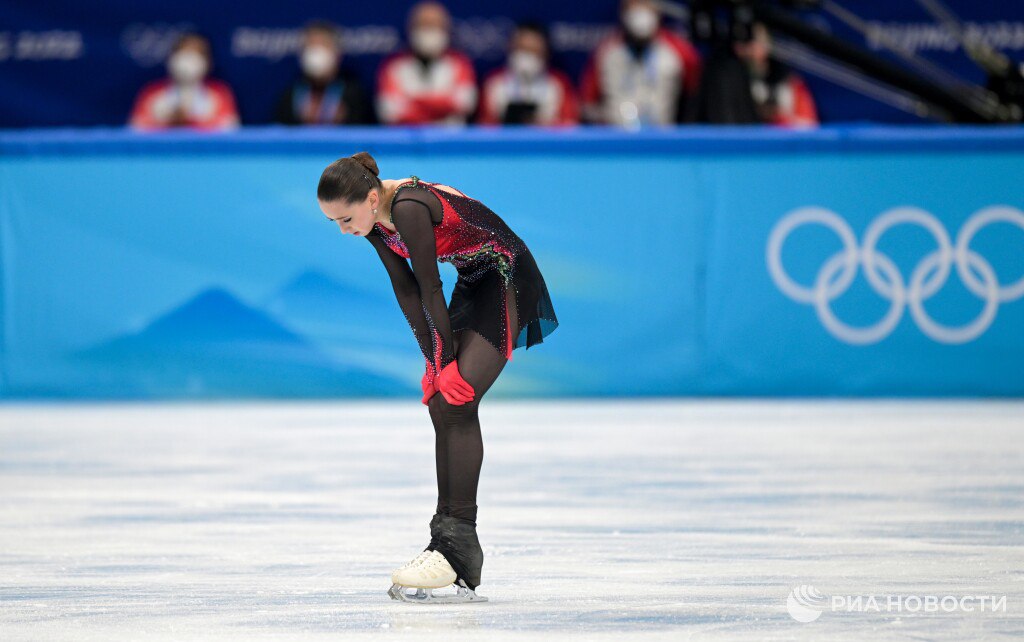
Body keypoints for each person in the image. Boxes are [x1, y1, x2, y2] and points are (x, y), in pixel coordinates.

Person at [317, 152, 558, 603]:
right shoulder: (374, 221)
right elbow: (405, 289)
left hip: (508, 276)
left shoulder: (407, 207)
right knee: (441, 402)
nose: (344, 230)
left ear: (371, 198)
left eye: (345, 218)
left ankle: (456, 546)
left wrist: (445, 362)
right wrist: (434, 362)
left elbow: (429, 286)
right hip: (476, 278)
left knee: (458, 400)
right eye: (335, 222)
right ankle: (450, 547)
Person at [580, 0, 702, 127]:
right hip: (616, 138)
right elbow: (588, 104)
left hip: (664, 138)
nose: (640, 8)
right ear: (623, 10)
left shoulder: (681, 52)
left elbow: (694, 100)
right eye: (634, 4)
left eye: (646, 3)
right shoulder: (606, 53)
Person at [375, 1, 477, 125]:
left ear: (446, 29)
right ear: (411, 28)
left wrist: (413, 102)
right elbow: (389, 110)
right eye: (424, 25)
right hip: (405, 138)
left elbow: (464, 103)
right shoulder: (392, 66)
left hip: (450, 139)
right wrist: (441, 107)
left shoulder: (461, 64)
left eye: (434, 25)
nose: (429, 31)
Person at [129, 32, 239, 131]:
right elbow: (135, 131)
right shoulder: (151, 93)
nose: (188, 59)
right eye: (182, 51)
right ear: (171, 58)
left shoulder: (221, 94)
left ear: (208, 62)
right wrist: (168, 122)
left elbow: (229, 132)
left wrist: (190, 122)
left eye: (197, 53)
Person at [477, 21, 579, 126]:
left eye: (533, 51)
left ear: (546, 53)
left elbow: (569, 125)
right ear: (510, 48)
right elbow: (485, 126)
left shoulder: (559, 84)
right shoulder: (494, 83)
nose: (526, 57)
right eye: (521, 49)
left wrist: (544, 125)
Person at [274, 20, 373, 126]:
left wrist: (346, 119)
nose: (316, 53)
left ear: (337, 53)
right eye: (311, 46)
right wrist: (299, 119)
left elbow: (369, 133)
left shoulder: (355, 95)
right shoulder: (291, 95)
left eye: (323, 45)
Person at [733, 22, 818, 127]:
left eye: (753, 42)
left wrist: (777, 116)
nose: (746, 50)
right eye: (741, 43)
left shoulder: (790, 83)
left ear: (767, 44)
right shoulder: (728, 83)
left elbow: (809, 127)